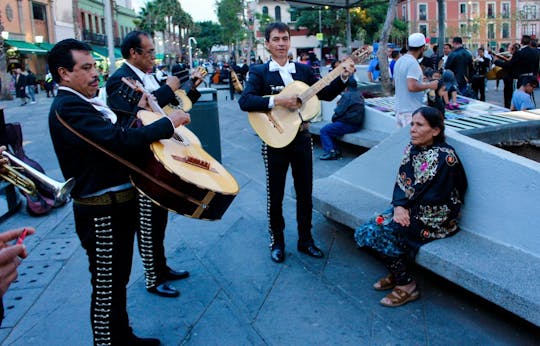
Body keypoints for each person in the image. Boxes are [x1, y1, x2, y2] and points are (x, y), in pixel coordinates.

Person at [48, 38, 190, 345]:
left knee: (118, 280)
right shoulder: (67, 105)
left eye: (93, 66)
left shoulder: (85, 102)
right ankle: (107, 342)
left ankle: (122, 337)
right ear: (64, 74)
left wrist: (139, 113)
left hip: (118, 203)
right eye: (85, 68)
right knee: (106, 286)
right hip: (101, 210)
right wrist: (167, 124)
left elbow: (118, 135)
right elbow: (117, 142)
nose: (94, 73)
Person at [238, 22, 355, 263]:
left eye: (285, 38)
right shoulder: (259, 72)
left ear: (290, 41)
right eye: (276, 39)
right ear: (268, 43)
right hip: (274, 140)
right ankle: (277, 241)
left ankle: (305, 240)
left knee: (305, 192)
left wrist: (343, 75)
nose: (281, 43)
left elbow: (325, 93)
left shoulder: (303, 71)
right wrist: (278, 101)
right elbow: (246, 101)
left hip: (302, 138)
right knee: (276, 194)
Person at [107, 30, 200, 299]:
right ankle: (152, 277)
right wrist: (169, 87)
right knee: (147, 219)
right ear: (133, 53)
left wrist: (188, 89)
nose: (153, 57)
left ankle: (161, 266)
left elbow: (165, 108)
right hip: (139, 158)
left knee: (159, 217)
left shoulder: (146, 76)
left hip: (159, 152)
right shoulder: (118, 81)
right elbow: (145, 110)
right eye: (149, 52)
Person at [355, 106, 467, 307]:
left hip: (436, 216)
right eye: (412, 124)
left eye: (419, 125)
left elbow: (441, 197)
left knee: (382, 232)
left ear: (435, 130)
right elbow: (402, 180)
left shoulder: (445, 157)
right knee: (367, 230)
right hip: (409, 207)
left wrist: (406, 209)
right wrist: (399, 206)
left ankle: (406, 284)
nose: (412, 129)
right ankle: (398, 271)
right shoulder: (412, 148)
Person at [393, 32, 438, 127]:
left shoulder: (400, 60)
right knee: (413, 140)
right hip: (410, 111)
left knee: (403, 141)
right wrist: (429, 85)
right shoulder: (412, 63)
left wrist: (421, 82)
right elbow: (412, 86)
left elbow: (397, 82)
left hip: (399, 109)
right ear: (422, 48)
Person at [319, 78, 365, 160]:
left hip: (348, 124)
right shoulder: (359, 94)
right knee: (332, 128)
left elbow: (339, 111)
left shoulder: (347, 95)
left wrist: (334, 117)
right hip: (356, 124)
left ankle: (331, 152)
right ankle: (336, 151)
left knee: (324, 130)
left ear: (346, 86)